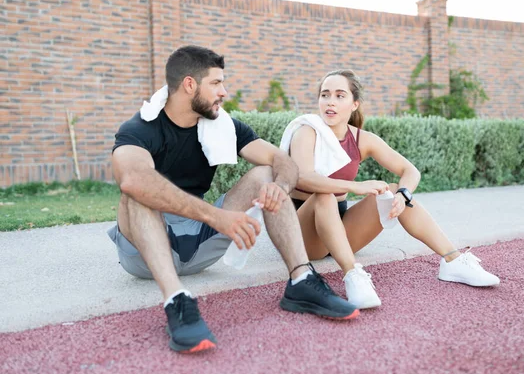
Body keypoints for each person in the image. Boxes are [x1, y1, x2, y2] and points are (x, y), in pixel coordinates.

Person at [108, 46, 358, 354]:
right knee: (135, 193)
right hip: (145, 254)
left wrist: (280, 185)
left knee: (267, 174)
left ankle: (302, 280)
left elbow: (283, 160)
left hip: (199, 243)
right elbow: (133, 179)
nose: (224, 92)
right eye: (216, 83)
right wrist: (216, 217)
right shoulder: (140, 129)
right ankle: (177, 301)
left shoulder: (223, 126)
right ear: (189, 85)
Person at [282, 69, 500, 310]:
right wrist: (356, 186)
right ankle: (353, 275)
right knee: (324, 195)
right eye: (325, 95)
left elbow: (410, 171)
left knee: (396, 189)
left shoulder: (362, 139)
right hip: (304, 234)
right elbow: (304, 177)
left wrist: (402, 195)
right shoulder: (307, 131)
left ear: (354, 104)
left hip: (341, 229)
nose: (330, 101)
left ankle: (453, 260)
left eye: (339, 95)